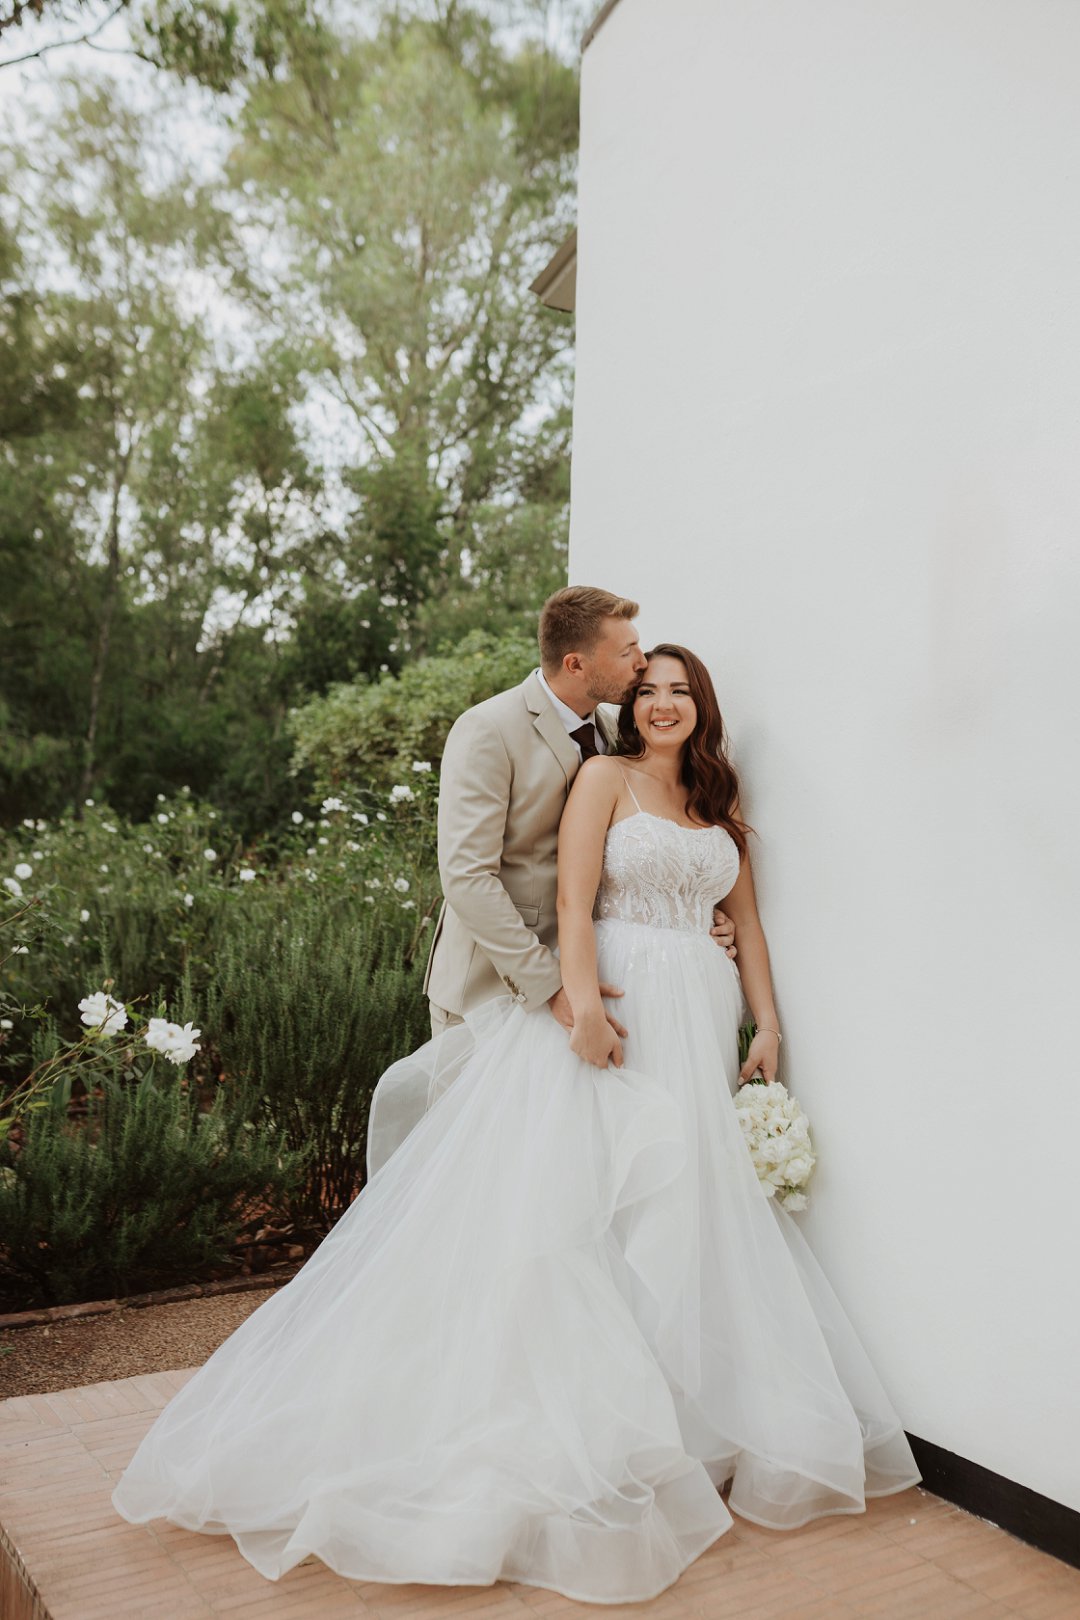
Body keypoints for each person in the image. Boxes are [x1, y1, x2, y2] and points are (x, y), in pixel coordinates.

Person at [111, 642, 920, 1605]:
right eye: (648, 690)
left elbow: (745, 923)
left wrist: (769, 1025)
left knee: (681, 1201)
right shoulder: (603, 779)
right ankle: (593, 1423)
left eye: (680, 692)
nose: (663, 704)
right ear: (631, 707)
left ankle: (683, 1418)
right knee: (594, 1201)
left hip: (698, 1015)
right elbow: (573, 901)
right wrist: (579, 1008)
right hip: (616, 1003)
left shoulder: (718, 806)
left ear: (703, 708)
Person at [424, 584, 736, 1039]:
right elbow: (467, 877)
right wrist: (549, 984)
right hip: (492, 986)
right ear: (575, 664)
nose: (642, 662)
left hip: (591, 977)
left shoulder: (613, 732)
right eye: (627, 652)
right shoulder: (488, 729)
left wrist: (692, 913)